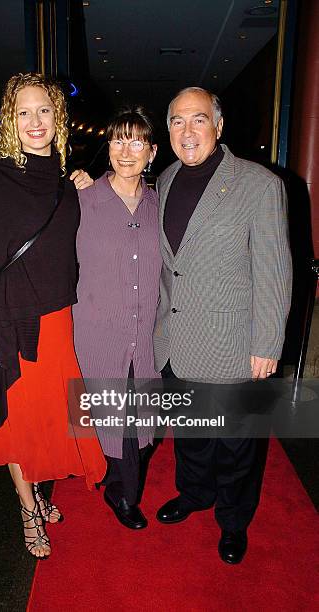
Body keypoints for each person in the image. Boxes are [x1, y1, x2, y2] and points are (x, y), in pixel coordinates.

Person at [0, 72, 106, 559]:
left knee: (54, 419)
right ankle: (28, 507)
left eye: (44, 109)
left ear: (58, 117)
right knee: (19, 425)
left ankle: (39, 493)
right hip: (8, 323)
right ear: (9, 120)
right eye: (23, 112)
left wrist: (84, 185)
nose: (34, 121)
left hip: (58, 322)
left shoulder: (67, 182)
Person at [153, 87, 292, 563]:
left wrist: (267, 343)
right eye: (176, 121)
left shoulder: (259, 184)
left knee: (236, 447)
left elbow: (274, 272)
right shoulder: (166, 179)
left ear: (218, 124)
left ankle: (233, 521)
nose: (187, 131)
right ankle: (194, 494)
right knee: (190, 434)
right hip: (176, 342)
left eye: (197, 120)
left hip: (234, 345)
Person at [72, 107, 162, 529]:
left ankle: (117, 481)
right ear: (107, 147)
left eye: (137, 140)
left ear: (152, 151)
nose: (126, 150)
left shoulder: (160, 207)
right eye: (118, 139)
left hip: (144, 335)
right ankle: (123, 494)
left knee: (143, 429)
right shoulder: (81, 200)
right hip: (96, 332)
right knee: (111, 421)